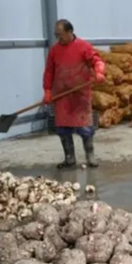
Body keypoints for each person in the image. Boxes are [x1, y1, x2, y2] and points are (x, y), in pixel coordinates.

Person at [43, 19, 105, 169]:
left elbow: (97, 61)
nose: (59, 38)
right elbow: (49, 72)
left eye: (61, 35)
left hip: (79, 95)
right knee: (63, 129)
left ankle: (90, 156)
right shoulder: (54, 50)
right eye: (56, 35)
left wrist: (99, 71)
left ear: (70, 32)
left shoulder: (83, 47)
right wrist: (47, 90)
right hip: (62, 96)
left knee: (85, 128)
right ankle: (69, 158)